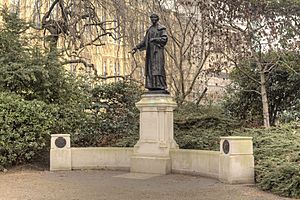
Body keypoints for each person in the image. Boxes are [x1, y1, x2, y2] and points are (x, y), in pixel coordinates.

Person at [132, 14, 168, 93]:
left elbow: (164, 39)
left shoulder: (161, 28)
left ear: (157, 19)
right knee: (150, 69)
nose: (153, 19)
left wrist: (155, 39)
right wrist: (136, 47)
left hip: (157, 52)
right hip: (150, 53)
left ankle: (160, 85)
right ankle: (152, 85)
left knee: (158, 69)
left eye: (154, 18)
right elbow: (144, 41)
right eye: (151, 18)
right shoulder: (150, 29)